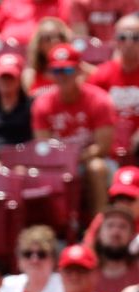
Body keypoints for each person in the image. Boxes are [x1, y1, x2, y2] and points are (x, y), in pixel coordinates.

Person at [31, 43, 117, 217]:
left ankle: (98, 225)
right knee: (32, 173)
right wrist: (65, 162)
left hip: (90, 159)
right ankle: (54, 227)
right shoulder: (42, 103)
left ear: (79, 71)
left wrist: (75, 158)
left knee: (97, 168)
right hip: (57, 163)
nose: (63, 76)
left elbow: (102, 147)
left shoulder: (99, 99)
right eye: (57, 71)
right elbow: (44, 147)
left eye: (68, 71)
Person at [87, 14, 139, 162]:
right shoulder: (101, 74)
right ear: (115, 41)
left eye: (136, 37)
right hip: (109, 152)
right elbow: (88, 112)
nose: (129, 43)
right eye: (123, 37)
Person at [0, 225, 64, 292]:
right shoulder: (7, 285)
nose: (34, 260)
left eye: (41, 254)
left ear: (53, 259)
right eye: (27, 254)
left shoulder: (64, 286)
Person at [93, 206, 139, 292]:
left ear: (132, 235)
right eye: (110, 225)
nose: (115, 232)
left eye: (123, 226)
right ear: (99, 234)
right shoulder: (86, 276)